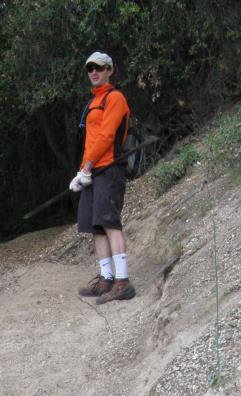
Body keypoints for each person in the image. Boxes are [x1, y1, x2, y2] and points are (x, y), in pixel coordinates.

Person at [69, 51, 135, 304]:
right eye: (90, 68)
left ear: (109, 70)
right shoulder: (93, 101)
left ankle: (122, 282)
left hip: (109, 169)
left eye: (99, 67)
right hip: (93, 172)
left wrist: (87, 166)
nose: (94, 72)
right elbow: (91, 140)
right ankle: (106, 279)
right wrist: (83, 169)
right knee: (95, 227)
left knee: (110, 223)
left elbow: (107, 136)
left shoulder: (115, 98)